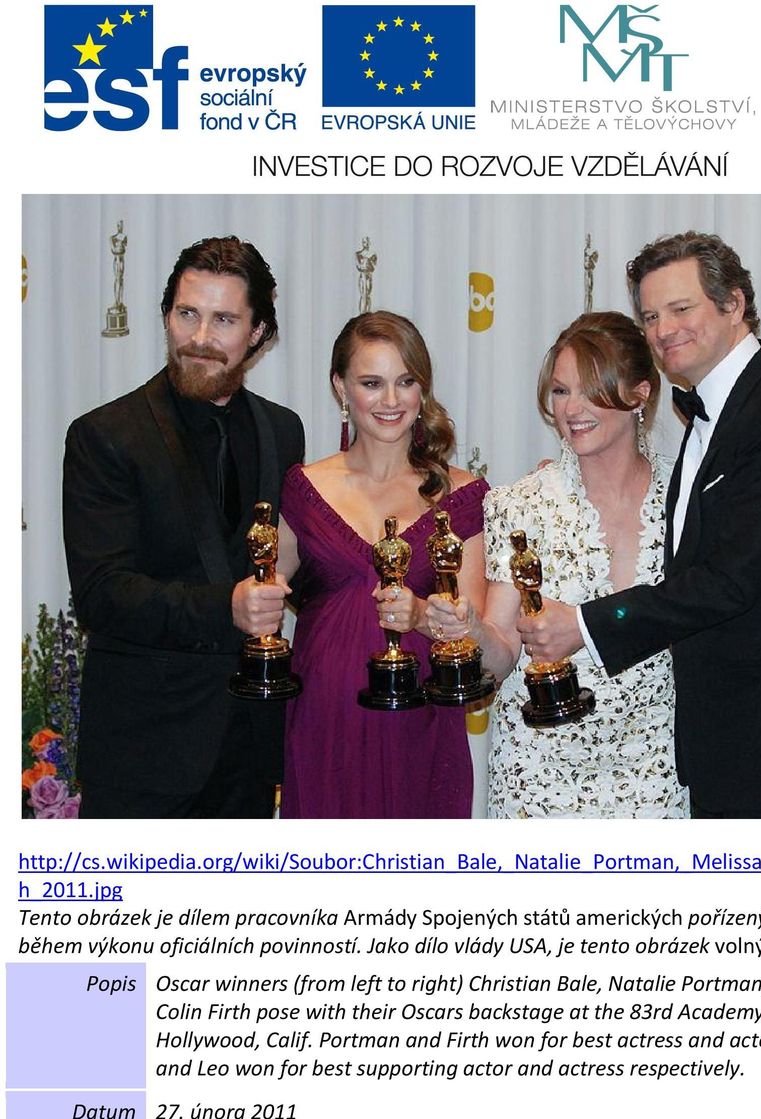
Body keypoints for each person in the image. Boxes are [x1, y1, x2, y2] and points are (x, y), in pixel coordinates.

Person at [517, 232, 761, 818]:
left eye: (681, 309)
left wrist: (585, 624)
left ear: (734, 304)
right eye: (651, 316)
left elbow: (727, 581)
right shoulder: (721, 412)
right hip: (730, 744)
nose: (662, 330)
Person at [63, 236, 305, 818]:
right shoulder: (106, 435)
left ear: (258, 334)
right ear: (166, 315)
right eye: (187, 314)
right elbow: (102, 595)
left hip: (249, 752)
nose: (199, 338)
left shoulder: (284, 431)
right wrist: (228, 605)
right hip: (143, 754)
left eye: (223, 319)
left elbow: (293, 565)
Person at [428, 312, 687, 819]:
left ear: (639, 394)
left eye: (591, 389)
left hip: (658, 767)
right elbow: (500, 659)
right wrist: (472, 629)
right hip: (541, 777)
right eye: (561, 391)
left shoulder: (685, 500)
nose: (573, 409)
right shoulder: (519, 504)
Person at [277, 311, 488, 819]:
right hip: (324, 718)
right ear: (341, 387)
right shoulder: (304, 488)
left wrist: (421, 616)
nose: (391, 401)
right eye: (372, 383)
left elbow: (472, 627)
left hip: (422, 723)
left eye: (405, 382)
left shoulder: (462, 495)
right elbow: (269, 587)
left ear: (423, 389)